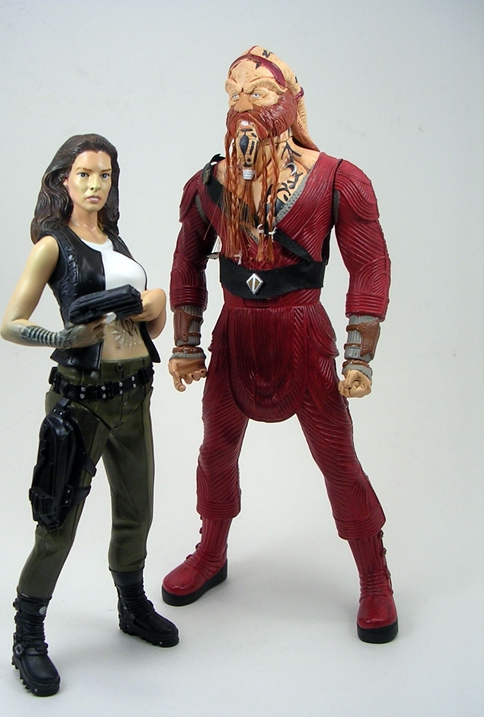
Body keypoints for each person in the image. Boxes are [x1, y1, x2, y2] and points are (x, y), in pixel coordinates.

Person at [162, 47, 398, 644]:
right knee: (216, 450)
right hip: (235, 335)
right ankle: (211, 551)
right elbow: (187, 260)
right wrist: (187, 343)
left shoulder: (338, 178)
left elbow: (370, 265)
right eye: (234, 92)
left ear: (292, 102)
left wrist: (359, 352)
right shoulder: (209, 184)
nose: (244, 103)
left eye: (260, 91)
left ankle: (374, 575)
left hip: (302, 335)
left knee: (337, 459)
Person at [0, 134, 178, 697]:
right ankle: (28, 635)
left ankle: (132, 603)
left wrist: (158, 306)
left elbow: (146, 330)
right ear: (64, 180)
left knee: (137, 511)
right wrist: (62, 337)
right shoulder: (53, 245)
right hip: (80, 401)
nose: (95, 184)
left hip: (134, 394)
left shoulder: (116, 241)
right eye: (84, 174)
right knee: (57, 525)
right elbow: (10, 323)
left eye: (104, 175)